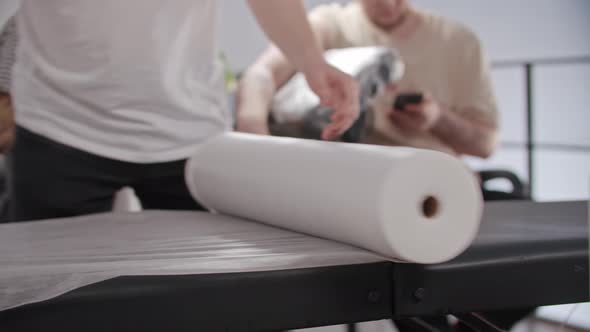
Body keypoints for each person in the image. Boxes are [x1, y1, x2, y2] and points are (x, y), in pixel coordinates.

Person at [6, 0, 360, 222]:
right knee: (48, 304)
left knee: (206, 300)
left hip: (190, 130)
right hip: (61, 121)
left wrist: (312, 63)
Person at [236, 0, 499, 160]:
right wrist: (256, 135)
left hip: (427, 179)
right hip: (346, 172)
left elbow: (486, 145)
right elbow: (260, 74)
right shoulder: (330, 25)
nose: (385, 3)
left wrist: (438, 118)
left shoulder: (459, 43)